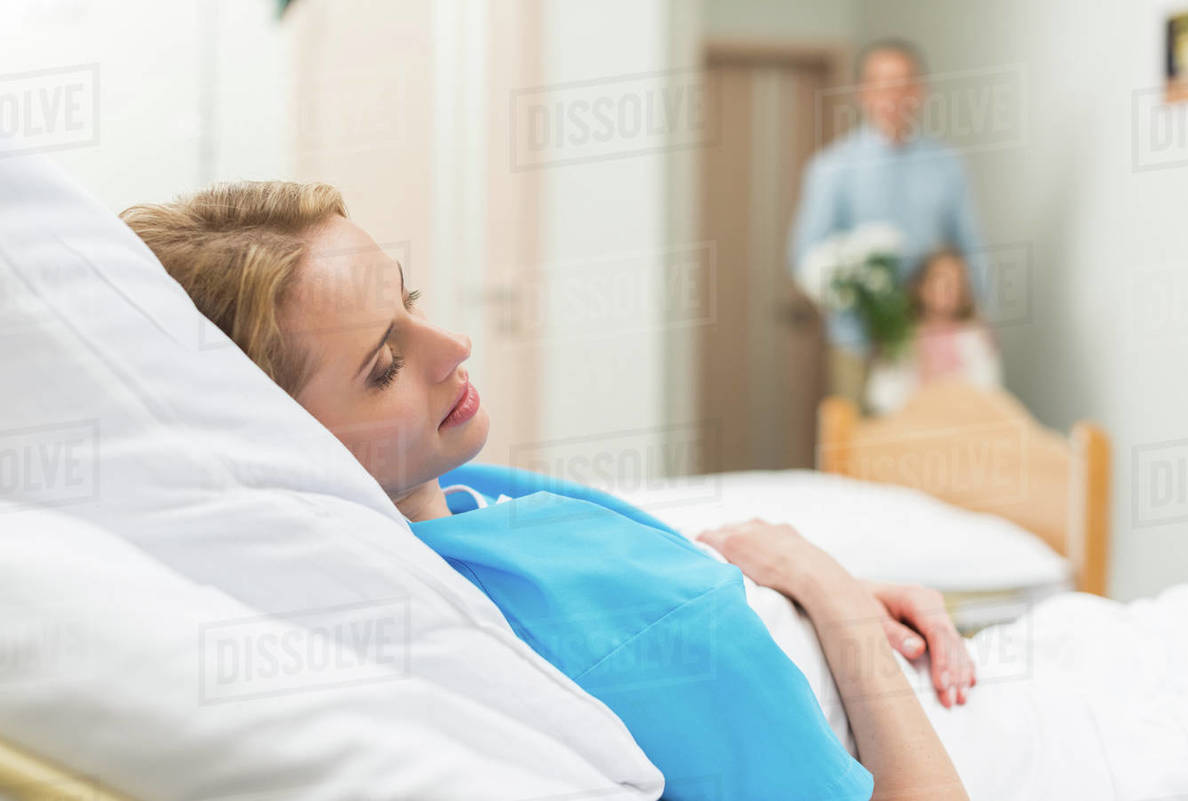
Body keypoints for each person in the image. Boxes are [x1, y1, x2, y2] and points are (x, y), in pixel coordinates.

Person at [121, 181, 974, 801]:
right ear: (286, 445)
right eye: (384, 366)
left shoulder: (449, 496)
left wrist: (805, 588)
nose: (452, 344)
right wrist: (834, 601)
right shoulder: (581, 623)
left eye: (409, 302)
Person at [789, 38, 988, 407]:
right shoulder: (832, 167)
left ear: (921, 91)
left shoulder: (947, 164)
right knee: (859, 451)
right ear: (862, 92)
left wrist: (979, 319)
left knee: (931, 449)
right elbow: (805, 257)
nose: (893, 95)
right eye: (881, 83)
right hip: (858, 343)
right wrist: (855, 297)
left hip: (931, 342)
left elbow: (970, 245)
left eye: (904, 83)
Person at [865, 248, 1003, 414]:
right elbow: (880, 394)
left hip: (962, 417)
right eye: (941, 279)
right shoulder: (901, 334)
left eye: (957, 282)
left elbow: (989, 387)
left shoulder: (975, 335)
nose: (950, 288)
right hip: (914, 420)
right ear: (920, 286)